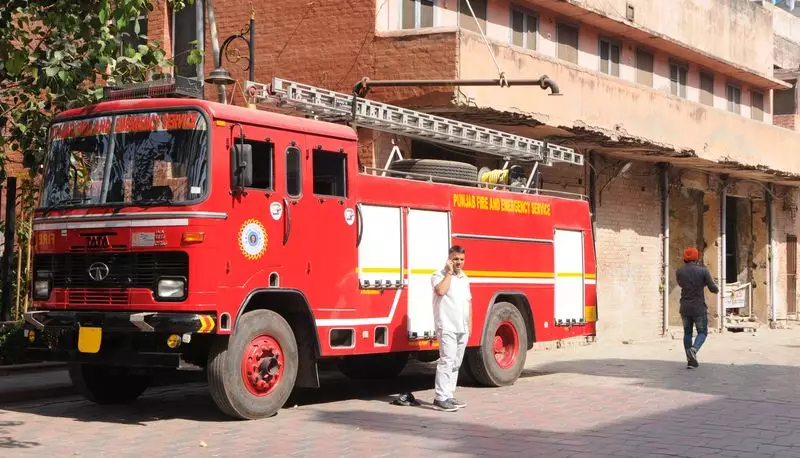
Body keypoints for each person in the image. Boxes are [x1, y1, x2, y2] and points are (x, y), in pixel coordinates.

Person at [430, 245, 472, 412]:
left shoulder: (464, 278)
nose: (459, 262)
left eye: (461, 259)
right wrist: (448, 273)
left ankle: (449, 394)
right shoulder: (438, 275)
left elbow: (468, 302)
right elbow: (440, 291)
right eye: (455, 259)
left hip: (462, 327)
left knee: (456, 362)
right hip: (446, 325)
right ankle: (440, 398)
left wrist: (470, 325)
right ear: (449, 259)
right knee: (446, 360)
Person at [675, 246, 719, 369]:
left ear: (684, 258)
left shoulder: (679, 272)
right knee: (702, 332)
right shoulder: (703, 271)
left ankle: (691, 361)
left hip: (684, 307)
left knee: (687, 333)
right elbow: (712, 288)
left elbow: (681, 284)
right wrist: (716, 288)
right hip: (699, 308)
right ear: (697, 258)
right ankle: (694, 350)